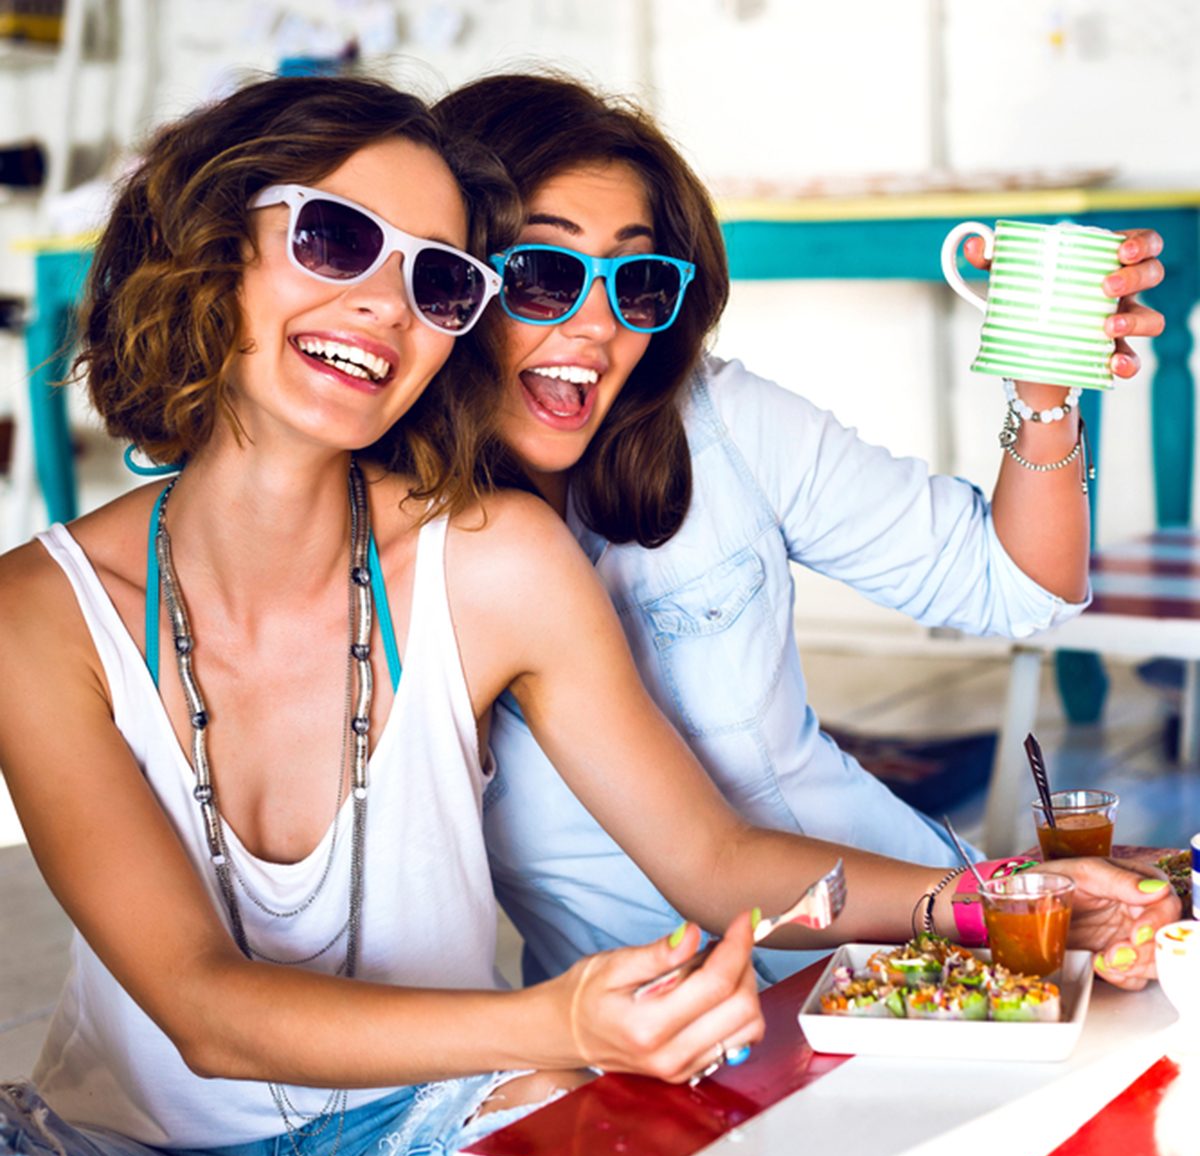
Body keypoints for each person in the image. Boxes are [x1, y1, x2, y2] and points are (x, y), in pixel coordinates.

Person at [0, 74, 1176, 1156]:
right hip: (187, 1132)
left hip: (503, 1081)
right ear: (213, 251)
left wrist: (998, 898)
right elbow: (201, 1010)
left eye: (437, 280)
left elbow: (715, 861)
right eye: (339, 241)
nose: (383, 304)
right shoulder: (41, 613)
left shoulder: (512, 548)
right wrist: (558, 1019)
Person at [434, 72, 1169, 986]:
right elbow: (713, 865)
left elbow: (1019, 587)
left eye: (638, 278)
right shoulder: (403, 548)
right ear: (446, 283)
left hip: (914, 952)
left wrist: (1046, 389)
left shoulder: (717, 422)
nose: (596, 324)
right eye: (541, 275)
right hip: (674, 1039)